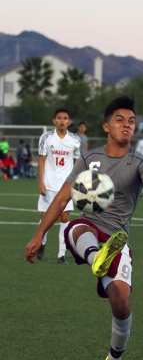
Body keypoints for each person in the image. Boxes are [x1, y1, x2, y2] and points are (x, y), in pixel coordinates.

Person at [25, 96, 143, 360]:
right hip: (90, 231)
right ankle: (96, 258)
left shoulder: (140, 162)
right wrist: (39, 233)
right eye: (120, 120)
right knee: (77, 226)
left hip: (118, 240)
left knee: (121, 305)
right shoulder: (89, 158)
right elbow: (63, 197)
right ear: (107, 126)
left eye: (131, 121)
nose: (127, 125)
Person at [36, 108, 81, 264]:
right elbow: (41, 160)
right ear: (54, 121)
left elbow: (77, 163)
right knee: (46, 218)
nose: (62, 120)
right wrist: (40, 181)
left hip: (66, 186)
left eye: (65, 118)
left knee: (64, 218)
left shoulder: (75, 140)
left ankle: (61, 255)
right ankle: (42, 241)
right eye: (59, 118)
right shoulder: (46, 138)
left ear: (69, 121)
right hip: (48, 184)